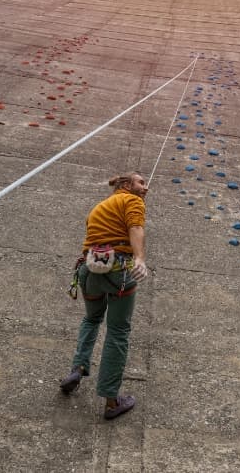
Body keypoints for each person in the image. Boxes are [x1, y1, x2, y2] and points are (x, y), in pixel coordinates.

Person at [60, 172, 150, 420]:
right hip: (118, 273)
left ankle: (78, 367)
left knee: (91, 320)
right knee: (118, 331)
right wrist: (140, 259)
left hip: (89, 271)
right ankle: (111, 401)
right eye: (141, 183)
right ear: (125, 185)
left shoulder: (98, 207)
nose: (146, 188)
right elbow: (136, 227)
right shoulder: (131, 201)